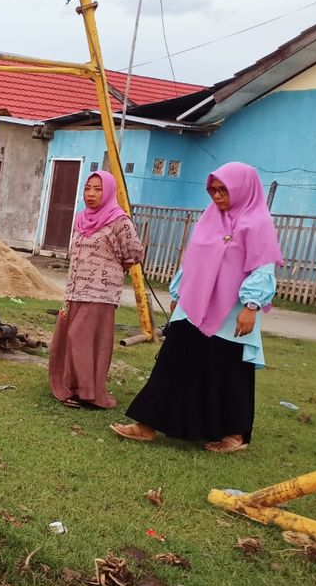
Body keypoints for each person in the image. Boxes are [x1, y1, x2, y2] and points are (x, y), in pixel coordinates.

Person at [112, 162, 284, 453]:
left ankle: (235, 433)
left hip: (232, 311)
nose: (217, 197)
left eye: (223, 191)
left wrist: (252, 306)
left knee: (227, 371)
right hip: (193, 306)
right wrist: (180, 290)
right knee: (172, 360)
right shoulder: (209, 218)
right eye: (213, 191)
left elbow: (262, 266)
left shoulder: (257, 223)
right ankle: (147, 423)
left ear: (243, 189)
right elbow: (192, 258)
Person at [48, 170, 144, 409]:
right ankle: (71, 386)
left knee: (80, 336)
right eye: (88, 188)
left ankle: (89, 392)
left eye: (98, 189)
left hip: (100, 293)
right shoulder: (81, 218)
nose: (91, 194)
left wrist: (110, 272)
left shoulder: (119, 220)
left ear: (109, 192)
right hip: (75, 290)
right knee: (67, 338)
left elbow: (134, 253)